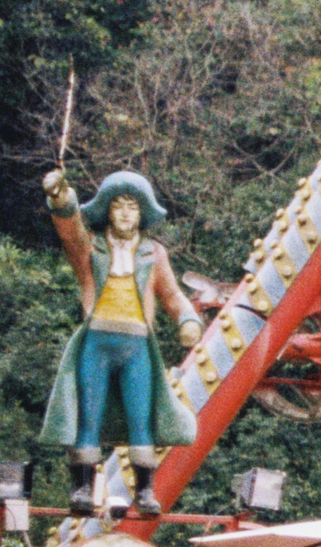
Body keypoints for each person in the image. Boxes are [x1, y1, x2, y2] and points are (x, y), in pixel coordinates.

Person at [39, 168, 204, 517]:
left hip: (138, 346)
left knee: (141, 417)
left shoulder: (153, 253)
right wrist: (60, 196)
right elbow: (70, 232)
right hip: (96, 341)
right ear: (107, 211)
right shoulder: (93, 247)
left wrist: (188, 319)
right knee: (89, 415)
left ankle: (145, 492)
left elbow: (173, 295)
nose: (126, 213)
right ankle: (82, 488)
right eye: (118, 205)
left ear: (142, 212)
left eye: (133, 206)